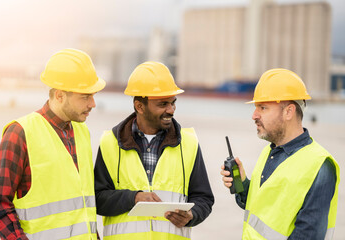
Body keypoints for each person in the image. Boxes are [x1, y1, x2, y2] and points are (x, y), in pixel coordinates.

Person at [0, 48, 106, 240]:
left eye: (93, 95)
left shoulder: (82, 132)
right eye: (85, 97)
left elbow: (84, 207)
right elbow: (1, 204)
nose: (93, 103)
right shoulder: (20, 133)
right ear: (60, 96)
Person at [95, 61, 214, 240]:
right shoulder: (110, 143)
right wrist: (133, 198)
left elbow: (204, 198)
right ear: (139, 106)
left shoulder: (189, 143)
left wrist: (192, 216)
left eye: (173, 103)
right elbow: (97, 200)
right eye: (163, 104)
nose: (171, 110)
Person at [221, 68, 340, 240]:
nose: (254, 115)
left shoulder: (320, 166)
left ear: (289, 112)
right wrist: (243, 184)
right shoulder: (269, 152)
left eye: (263, 107)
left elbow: (308, 236)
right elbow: (262, 209)